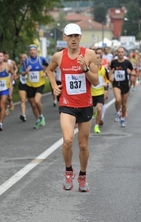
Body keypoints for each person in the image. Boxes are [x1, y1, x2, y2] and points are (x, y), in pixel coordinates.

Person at [45, 23, 98, 192]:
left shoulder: (89, 54)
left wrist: (85, 69)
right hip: (67, 104)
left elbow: (96, 81)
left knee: (83, 145)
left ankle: (82, 175)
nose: (73, 39)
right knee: (67, 140)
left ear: (80, 37)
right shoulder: (59, 56)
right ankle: (69, 171)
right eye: (70, 36)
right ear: (65, 38)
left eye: (76, 36)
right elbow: (49, 70)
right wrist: (54, 85)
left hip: (85, 105)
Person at [22, 44, 49, 129]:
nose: (32, 51)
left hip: (40, 84)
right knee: (33, 105)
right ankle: (37, 120)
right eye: (31, 50)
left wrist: (46, 73)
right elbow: (22, 73)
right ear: (29, 51)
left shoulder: (41, 59)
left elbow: (49, 67)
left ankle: (41, 116)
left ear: (37, 51)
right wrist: (25, 72)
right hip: (29, 85)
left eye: (34, 50)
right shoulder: (26, 61)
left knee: (37, 101)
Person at [109, 46, 134, 128]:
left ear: (124, 53)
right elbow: (110, 69)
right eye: (119, 52)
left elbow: (132, 71)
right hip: (116, 83)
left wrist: (130, 72)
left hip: (125, 84)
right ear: (117, 53)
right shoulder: (114, 62)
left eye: (122, 52)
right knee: (118, 99)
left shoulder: (127, 62)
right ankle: (118, 112)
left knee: (124, 103)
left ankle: (122, 118)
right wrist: (110, 77)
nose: (120, 53)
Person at [91, 52, 109, 133]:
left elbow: (107, 80)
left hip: (100, 93)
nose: (97, 59)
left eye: (98, 58)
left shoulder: (104, 70)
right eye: (95, 58)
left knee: (99, 108)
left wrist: (106, 84)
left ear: (101, 59)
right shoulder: (90, 69)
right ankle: (93, 113)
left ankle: (96, 126)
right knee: (91, 111)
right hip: (90, 94)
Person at [18, 53, 28, 121]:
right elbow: (22, 73)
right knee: (22, 100)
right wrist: (26, 72)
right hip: (22, 83)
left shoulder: (31, 65)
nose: (23, 59)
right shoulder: (20, 66)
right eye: (22, 57)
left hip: (30, 84)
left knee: (32, 102)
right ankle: (23, 114)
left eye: (25, 57)